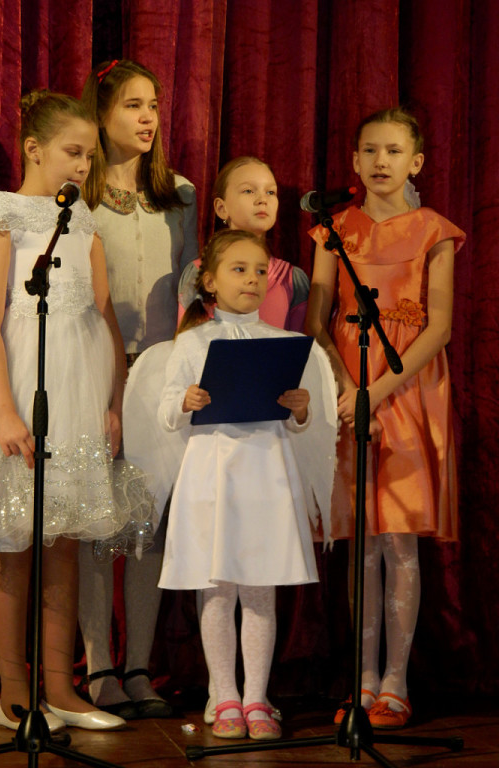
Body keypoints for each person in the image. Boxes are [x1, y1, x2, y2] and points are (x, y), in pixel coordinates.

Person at [0, 91, 134, 731]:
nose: (83, 165)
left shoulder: (85, 218)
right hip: (21, 387)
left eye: (90, 155)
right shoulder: (2, 212)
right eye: (73, 152)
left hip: (79, 392)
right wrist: (5, 413)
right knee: (13, 542)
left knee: (63, 542)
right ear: (34, 148)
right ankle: (13, 695)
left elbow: (104, 316)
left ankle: (61, 690)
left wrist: (114, 400)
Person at [306, 107, 466, 728]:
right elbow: (318, 319)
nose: (381, 162)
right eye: (370, 150)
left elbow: (439, 326)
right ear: (354, 160)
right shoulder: (334, 229)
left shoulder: (434, 231)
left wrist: (378, 391)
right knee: (361, 540)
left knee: (398, 537)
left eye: (394, 151)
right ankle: (363, 677)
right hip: (350, 387)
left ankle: (396, 680)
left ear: (415, 162)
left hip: (406, 388)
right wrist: (350, 389)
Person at [155, 228, 335, 740]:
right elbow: (164, 411)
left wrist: (300, 409)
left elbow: (301, 423)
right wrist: (185, 401)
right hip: (212, 476)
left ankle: (257, 697)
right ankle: (225, 694)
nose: (252, 280)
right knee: (217, 588)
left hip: (265, 474)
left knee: (259, 588)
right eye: (239, 270)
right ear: (210, 281)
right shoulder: (192, 343)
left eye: (260, 271)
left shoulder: (283, 344)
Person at [77, 59, 199, 719]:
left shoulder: (178, 194)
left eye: (153, 104)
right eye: (132, 105)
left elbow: (191, 286)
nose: (148, 117)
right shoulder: (81, 194)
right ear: (101, 116)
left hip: (159, 378)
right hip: (97, 371)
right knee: (98, 523)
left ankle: (140, 666)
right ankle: (99, 667)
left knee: (148, 527)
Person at [178, 156, 310, 331]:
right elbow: (189, 341)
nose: (262, 199)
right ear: (221, 208)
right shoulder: (199, 272)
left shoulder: (291, 279)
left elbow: (297, 344)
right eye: (248, 191)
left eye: (270, 192)